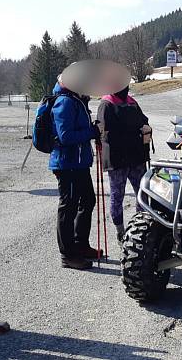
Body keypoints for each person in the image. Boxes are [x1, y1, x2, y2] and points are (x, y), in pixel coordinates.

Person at [50, 78, 102, 270]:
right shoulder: (65, 101)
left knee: (88, 200)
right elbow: (65, 136)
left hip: (78, 163)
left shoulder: (76, 100)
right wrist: (92, 131)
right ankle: (68, 255)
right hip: (67, 163)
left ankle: (80, 245)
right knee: (68, 207)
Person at [97, 86, 150, 242]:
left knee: (143, 194)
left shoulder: (131, 102)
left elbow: (144, 120)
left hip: (136, 157)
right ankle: (120, 231)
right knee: (117, 195)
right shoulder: (106, 104)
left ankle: (140, 227)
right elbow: (104, 132)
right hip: (117, 159)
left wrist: (146, 129)